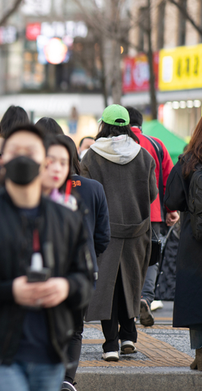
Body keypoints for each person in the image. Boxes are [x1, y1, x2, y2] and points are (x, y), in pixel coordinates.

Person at [0, 124, 93, 391]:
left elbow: (85, 278)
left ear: (44, 161)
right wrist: (9, 291)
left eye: (30, 151)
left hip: (49, 352)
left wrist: (65, 287)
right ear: (2, 159)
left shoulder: (67, 219)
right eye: (15, 151)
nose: (23, 157)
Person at [81, 104, 156, 362]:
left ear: (103, 124)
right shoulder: (144, 155)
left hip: (105, 231)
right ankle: (129, 337)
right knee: (131, 284)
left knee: (107, 287)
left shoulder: (91, 156)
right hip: (137, 231)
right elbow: (153, 194)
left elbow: (87, 193)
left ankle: (110, 344)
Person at [46, 135, 111, 391]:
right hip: (83, 273)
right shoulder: (94, 188)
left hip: (47, 271)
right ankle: (67, 379)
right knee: (74, 329)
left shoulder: (41, 188)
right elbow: (103, 236)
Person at [164, 108, 202, 372]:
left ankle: (201, 354)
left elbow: (172, 201)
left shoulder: (188, 161)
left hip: (195, 241)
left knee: (198, 296)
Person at [125, 107, 179, 324]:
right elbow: (170, 178)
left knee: (127, 257)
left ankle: (127, 302)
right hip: (154, 213)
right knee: (151, 258)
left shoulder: (116, 144)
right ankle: (145, 298)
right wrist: (171, 210)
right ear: (140, 123)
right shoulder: (156, 144)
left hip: (125, 213)